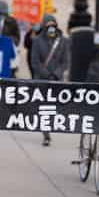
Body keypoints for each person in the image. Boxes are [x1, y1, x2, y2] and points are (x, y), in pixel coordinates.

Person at [31, 14, 70, 146]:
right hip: (42, 80)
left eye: (53, 25)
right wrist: (46, 74)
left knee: (54, 107)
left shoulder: (63, 41)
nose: (51, 28)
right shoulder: (37, 41)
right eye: (48, 25)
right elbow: (35, 62)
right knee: (44, 108)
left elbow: (65, 62)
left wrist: (56, 74)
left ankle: (49, 127)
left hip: (56, 80)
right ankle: (46, 134)